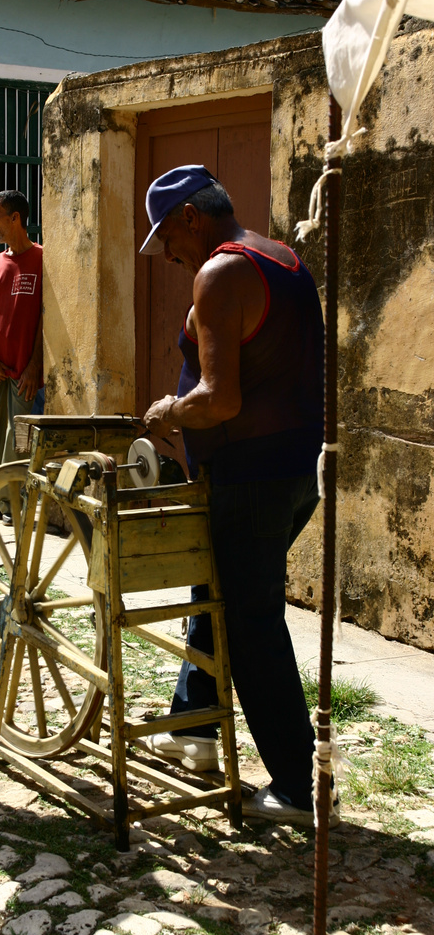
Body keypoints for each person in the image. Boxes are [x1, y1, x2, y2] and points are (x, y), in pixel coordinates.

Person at [139, 164, 333, 827]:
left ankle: (293, 783)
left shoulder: (220, 272)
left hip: (249, 473)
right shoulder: (282, 256)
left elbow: (220, 399)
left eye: (166, 236)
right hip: (294, 467)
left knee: (252, 624)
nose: (168, 253)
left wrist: (170, 409)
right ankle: (193, 725)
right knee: (216, 586)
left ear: (190, 217)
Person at [0, 190, 43, 519]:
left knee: (18, 439)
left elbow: (47, 318)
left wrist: (34, 366)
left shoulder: (43, 259)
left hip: (22, 369)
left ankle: (11, 504)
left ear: (15, 218)